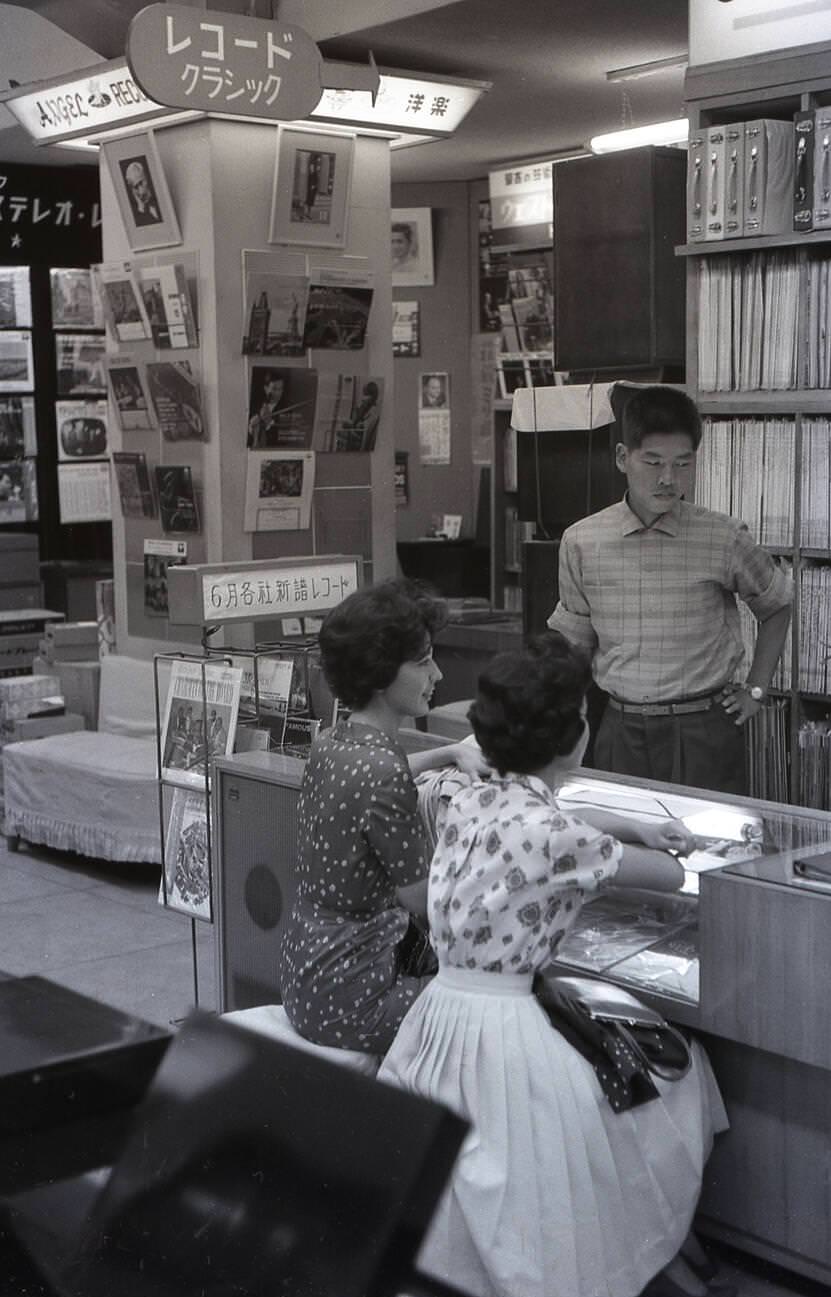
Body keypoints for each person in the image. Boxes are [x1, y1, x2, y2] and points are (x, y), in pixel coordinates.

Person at [379, 633, 730, 1297]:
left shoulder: (468, 796)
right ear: (575, 735)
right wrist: (649, 844)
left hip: (439, 1017)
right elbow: (660, 875)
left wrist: (627, 826)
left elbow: (545, 814)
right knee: (665, 1083)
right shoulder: (558, 835)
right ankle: (661, 1251)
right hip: (509, 1033)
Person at [278, 579, 488, 1057]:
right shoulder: (382, 774)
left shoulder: (332, 743)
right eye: (422, 662)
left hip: (305, 976)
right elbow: (424, 901)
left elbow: (374, 779)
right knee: (497, 1009)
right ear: (379, 672)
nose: (436, 673)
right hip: (357, 999)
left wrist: (449, 752)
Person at [547, 385, 792, 794]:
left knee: (711, 847)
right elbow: (575, 644)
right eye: (653, 462)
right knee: (625, 847)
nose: (668, 479)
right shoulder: (581, 541)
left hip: (704, 728)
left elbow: (777, 605)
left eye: (682, 464)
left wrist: (756, 689)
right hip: (619, 726)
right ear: (624, 458)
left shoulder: (723, 536)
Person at [122, 158, 162, 225]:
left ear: (148, 177)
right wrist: (141, 209)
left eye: (141, 183)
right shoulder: (138, 214)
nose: (141, 192)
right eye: (136, 187)